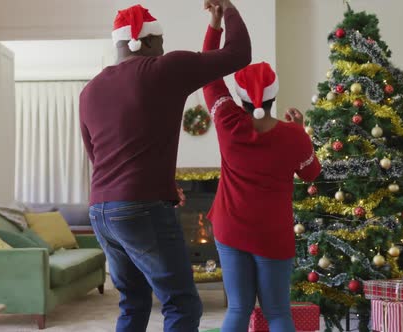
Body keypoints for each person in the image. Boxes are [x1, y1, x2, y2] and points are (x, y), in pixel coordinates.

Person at [78, 1, 251, 331]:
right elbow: (239, 54)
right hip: (140, 208)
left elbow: (97, 157)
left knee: (134, 301)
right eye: (160, 40)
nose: (164, 47)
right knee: (182, 303)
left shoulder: (89, 91)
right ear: (146, 41)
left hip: (101, 211)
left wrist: (213, 25)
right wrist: (227, 6)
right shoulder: (164, 69)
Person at [202, 7, 322, 332]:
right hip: (273, 235)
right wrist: (302, 128)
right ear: (274, 95)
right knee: (278, 313)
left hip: (230, 230)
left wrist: (216, 23)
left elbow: (209, 72)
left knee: (238, 310)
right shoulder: (294, 136)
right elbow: (312, 174)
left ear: (240, 96)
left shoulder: (227, 120)